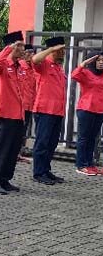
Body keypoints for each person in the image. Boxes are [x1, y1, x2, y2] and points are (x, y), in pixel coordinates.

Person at [0, 33, 26, 195]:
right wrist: (9, 47)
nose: (22, 49)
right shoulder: (3, 65)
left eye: (22, 46)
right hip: (6, 114)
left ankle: (5, 178)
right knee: (1, 149)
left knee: (12, 150)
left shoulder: (20, 66)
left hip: (19, 114)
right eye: (19, 45)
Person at [31, 37, 67, 185]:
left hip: (57, 111)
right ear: (54, 50)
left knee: (52, 143)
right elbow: (34, 59)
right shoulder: (44, 64)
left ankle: (46, 169)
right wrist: (51, 49)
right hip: (45, 110)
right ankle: (38, 172)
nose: (63, 53)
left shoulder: (58, 67)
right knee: (42, 143)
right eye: (61, 50)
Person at [72, 53, 103, 176]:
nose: (101, 62)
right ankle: (81, 165)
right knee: (83, 138)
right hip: (86, 109)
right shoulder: (86, 73)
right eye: (99, 60)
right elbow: (74, 75)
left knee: (92, 138)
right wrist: (83, 64)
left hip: (99, 111)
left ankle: (90, 164)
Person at [18, 44, 37, 160]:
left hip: (30, 104)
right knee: (17, 129)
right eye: (28, 52)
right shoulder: (20, 66)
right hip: (20, 104)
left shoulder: (34, 68)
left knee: (24, 130)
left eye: (32, 53)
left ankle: (19, 151)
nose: (31, 55)